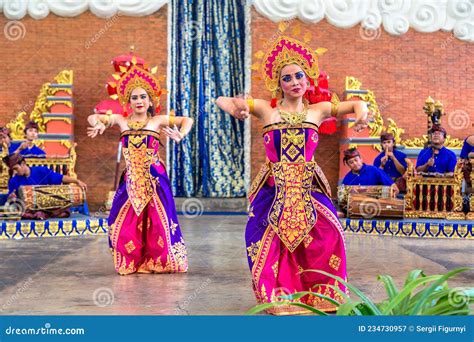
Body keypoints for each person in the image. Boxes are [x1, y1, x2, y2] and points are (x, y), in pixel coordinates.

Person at [216, 36, 369, 315]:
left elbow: (355, 104)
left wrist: (362, 113)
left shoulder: (318, 110)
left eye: (300, 75)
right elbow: (222, 100)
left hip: (308, 188)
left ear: (308, 79)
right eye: (287, 78)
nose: (295, 82)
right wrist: (236, 107)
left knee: (327, 235)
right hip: (274, 189)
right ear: (279, 83)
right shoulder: (267, 110)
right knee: (265, 241)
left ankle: (320, 297)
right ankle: (281, 297)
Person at [87, 60, 194, 276]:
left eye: (143, 97)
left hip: (155, 178)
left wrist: (181, 134)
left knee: (158, 222)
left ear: (150, 99)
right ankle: (134, 261)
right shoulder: (120, 120)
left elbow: (188, 119)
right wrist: (98, 123)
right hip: (131, 179)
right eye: (134, 97)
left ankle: (158, 261)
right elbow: (93, 116)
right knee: (122, 220)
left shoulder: (157, 121)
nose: (138, 101)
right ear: (128, 100)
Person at [3, 153, 86, 219]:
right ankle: (40, 215)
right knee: (22, 212)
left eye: (16, 169)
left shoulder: (41, 171)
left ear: (23, 163)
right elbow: (11, 201)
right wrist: (11, 198)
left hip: (47, 206)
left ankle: (42, 214)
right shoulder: (13, 181)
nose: (15, 172)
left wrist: (76, 181)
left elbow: (61, 178)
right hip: (29, 209)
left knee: (63, 208)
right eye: (13, 170)